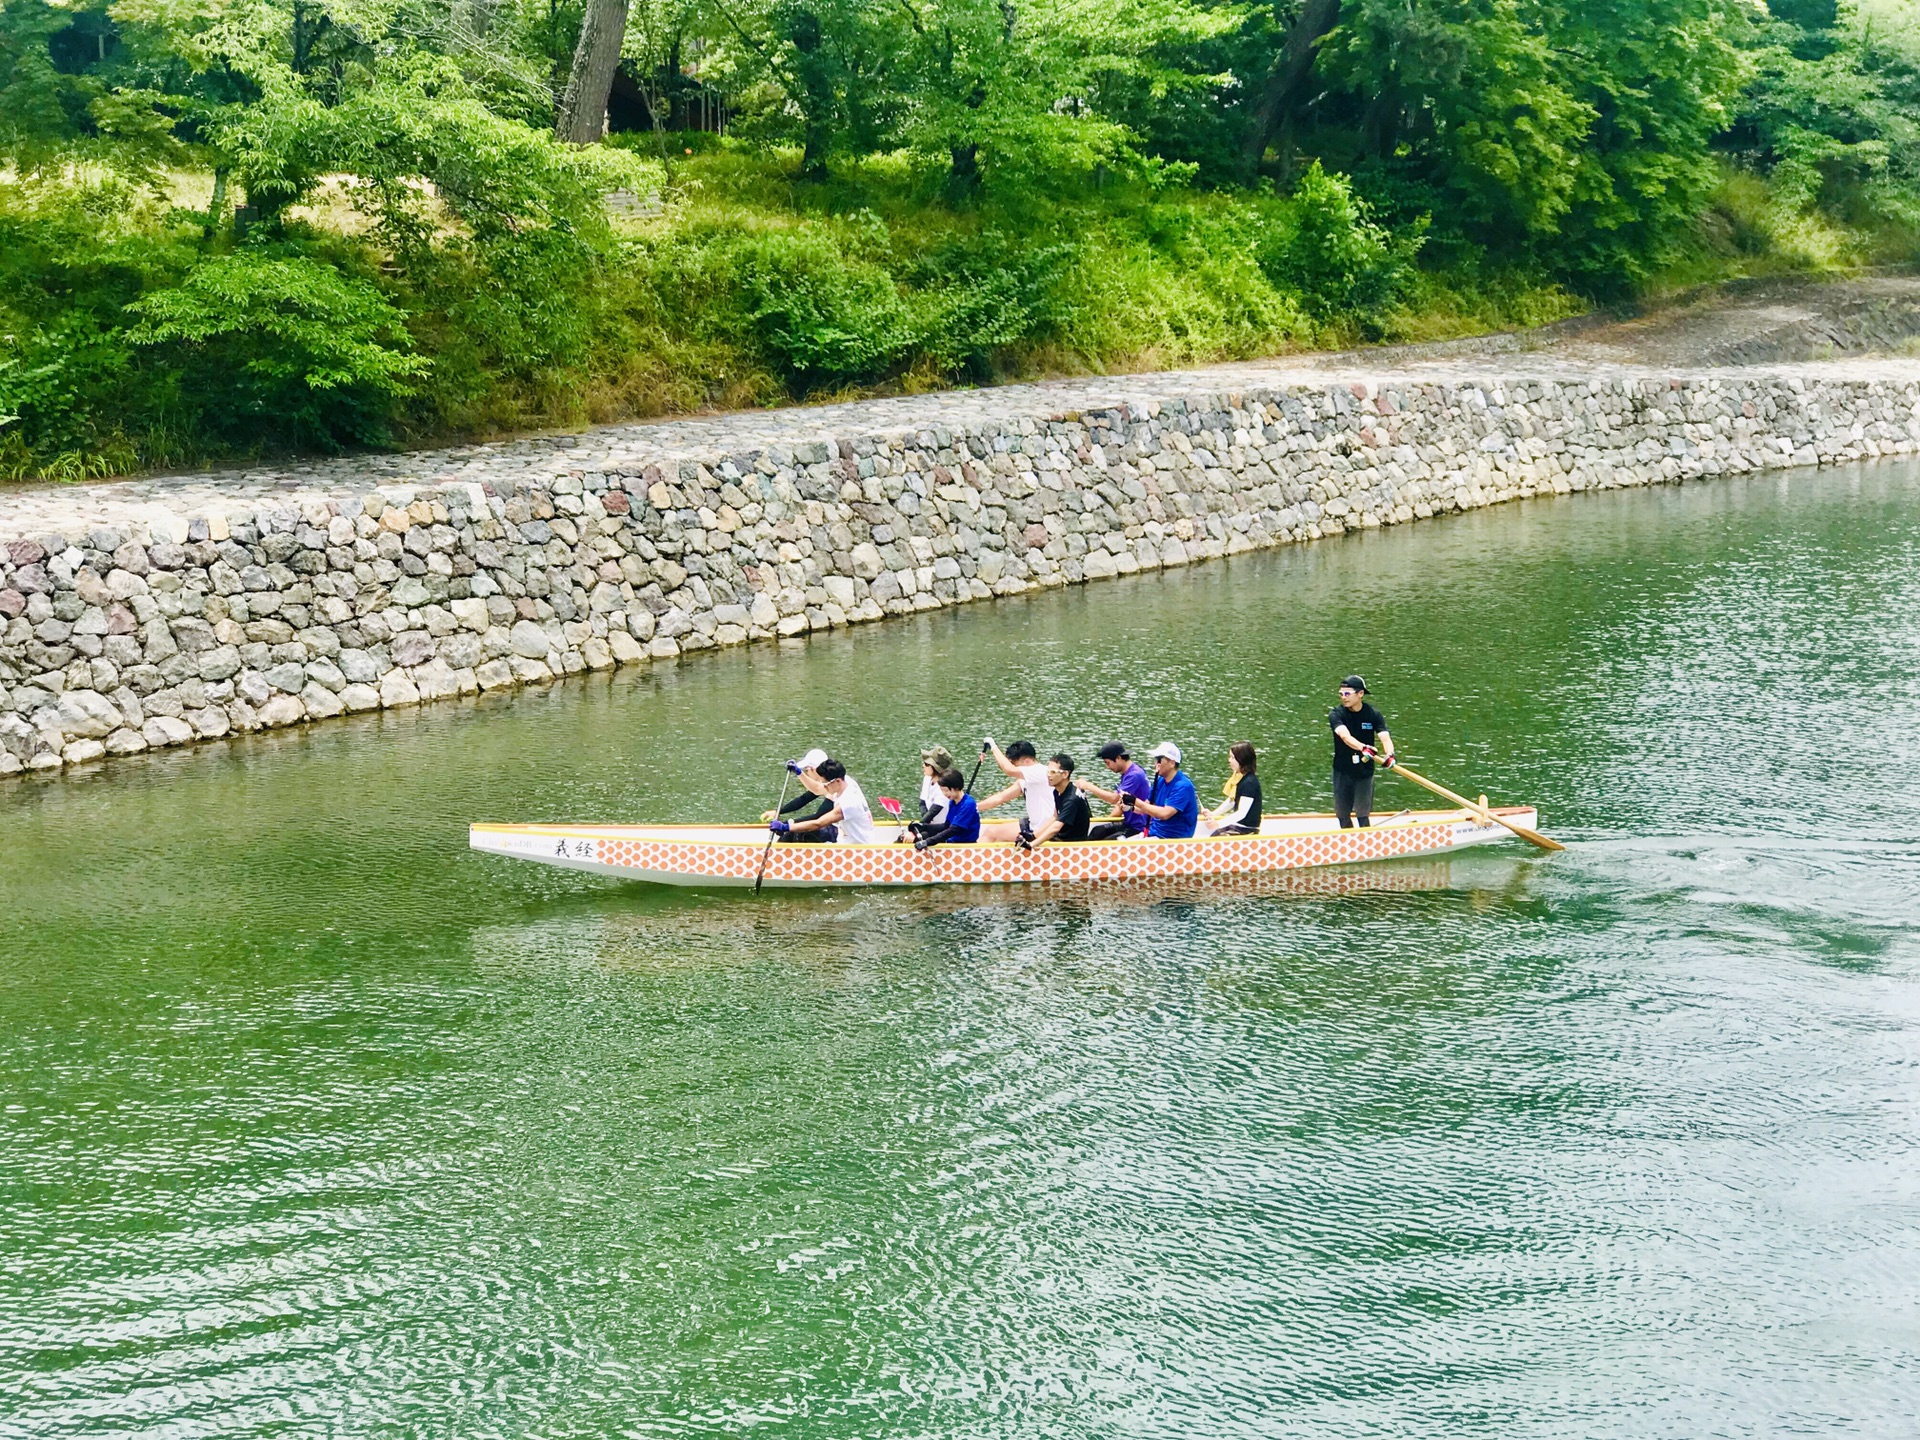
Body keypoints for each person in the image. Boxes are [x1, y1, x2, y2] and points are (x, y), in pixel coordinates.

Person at [1330, 675, 1394, 829]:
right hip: (1342, 770)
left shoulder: (1373, 714)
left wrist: (1390, 755)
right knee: (1342, 814)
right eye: (1341, 694)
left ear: (1360, 694)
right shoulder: (1336, 714)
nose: (1343, 698)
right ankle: (1348, 844)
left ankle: (1366, 843)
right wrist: (1362, 747)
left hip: (1364, 772)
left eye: (1347, 694)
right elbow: (1345, 736)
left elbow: (1385, 738)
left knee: (1362, 815)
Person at [767, 757, 880, 844]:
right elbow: (816, 788)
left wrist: (786, 827)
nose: (824, 788)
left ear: (837, 781)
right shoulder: (846, 781)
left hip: (858, 851)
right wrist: (798, 772)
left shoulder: (848, 803)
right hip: (845, 843)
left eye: (826, 785)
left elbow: (818, 823)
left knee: (800, 834)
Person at [978, 738, 1056, 844]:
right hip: (1034, 825)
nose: (1016, 769)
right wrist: (973, 807)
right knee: (993, 833)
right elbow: (1000, 798)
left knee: (991, 833)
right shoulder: (1025, 780)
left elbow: (1009, 770)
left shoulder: (1040, 771)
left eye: (1015, 764)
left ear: (1027, 761)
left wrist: (993, 746)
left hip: (1045, 829)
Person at [1077, 741, 1152, 841]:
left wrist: (1089, 786)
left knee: (1107, 842)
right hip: (1128, 823)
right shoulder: (1129, 772)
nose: (1107, 767)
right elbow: (1119, 802)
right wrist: (1107, 820)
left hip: (1138, 828)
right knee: (1097, 831)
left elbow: (1114, 799)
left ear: (1118, 758)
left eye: (1108, 763)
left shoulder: (1134, 775)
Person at [1125, 742, 1200, 839]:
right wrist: (1129, 807)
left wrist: (1135, 801)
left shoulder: (1183, 786)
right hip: (1155, 834)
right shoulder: (1160, 781)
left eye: (1159, 760)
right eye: (1155, 759)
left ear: (1172, 763)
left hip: (1172, 840)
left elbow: (1165, 814)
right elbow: (1146, 807)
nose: (1155, 764)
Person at [1020, 754, 1092, 848]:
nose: (1049, 775)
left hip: (1072, 843)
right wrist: (1033, 836)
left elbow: (1056, 827)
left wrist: (1032, 845)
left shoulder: (1071, 799)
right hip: (1062, 837)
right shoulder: (1057, 791)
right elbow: (1055, 817)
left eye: (1053, 772)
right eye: (1048, 771)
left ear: (1065, 774)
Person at [898, 745, 957, 843]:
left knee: (918, 838)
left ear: (935, 767)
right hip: (930, 825)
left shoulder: (944, 787)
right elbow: (922, 804)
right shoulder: (927, 779)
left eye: (926, 764)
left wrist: (916, 830)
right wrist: (922, 826)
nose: (923, 766)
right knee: (902, 838)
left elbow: (933, 812)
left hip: (942, 829)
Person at [764, 748, 834, 829]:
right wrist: (777, 812)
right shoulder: (828, 781)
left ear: (812, 769)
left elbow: (818, 818)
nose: (807, 774)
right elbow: (803, 799)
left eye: (806, 770)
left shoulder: (834, 786)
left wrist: (788, 825)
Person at [1204, 742, 1263, 836]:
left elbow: (1241, 813)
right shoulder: (1239, 778)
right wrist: (1213, 814)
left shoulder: (1249, 783)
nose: (1229, 760)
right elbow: (1232, 801)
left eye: (1232, 757)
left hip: (1247, 829)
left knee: (1217, 839)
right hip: (1238, 826)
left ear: (1242, 759)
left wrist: (1218, 824)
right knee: (1214, 836)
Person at [913, 769, 982, 849]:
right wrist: (923, 826)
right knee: (922, 835)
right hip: (952, 842)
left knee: (925, 837)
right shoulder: (952, 802)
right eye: (942, 791)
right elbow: (946, 826)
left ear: (956, 787)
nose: (944, 794)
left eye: (946, 790)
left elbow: (953, 830)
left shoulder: (968, 804)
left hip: (964, 846)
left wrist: (928, 842)